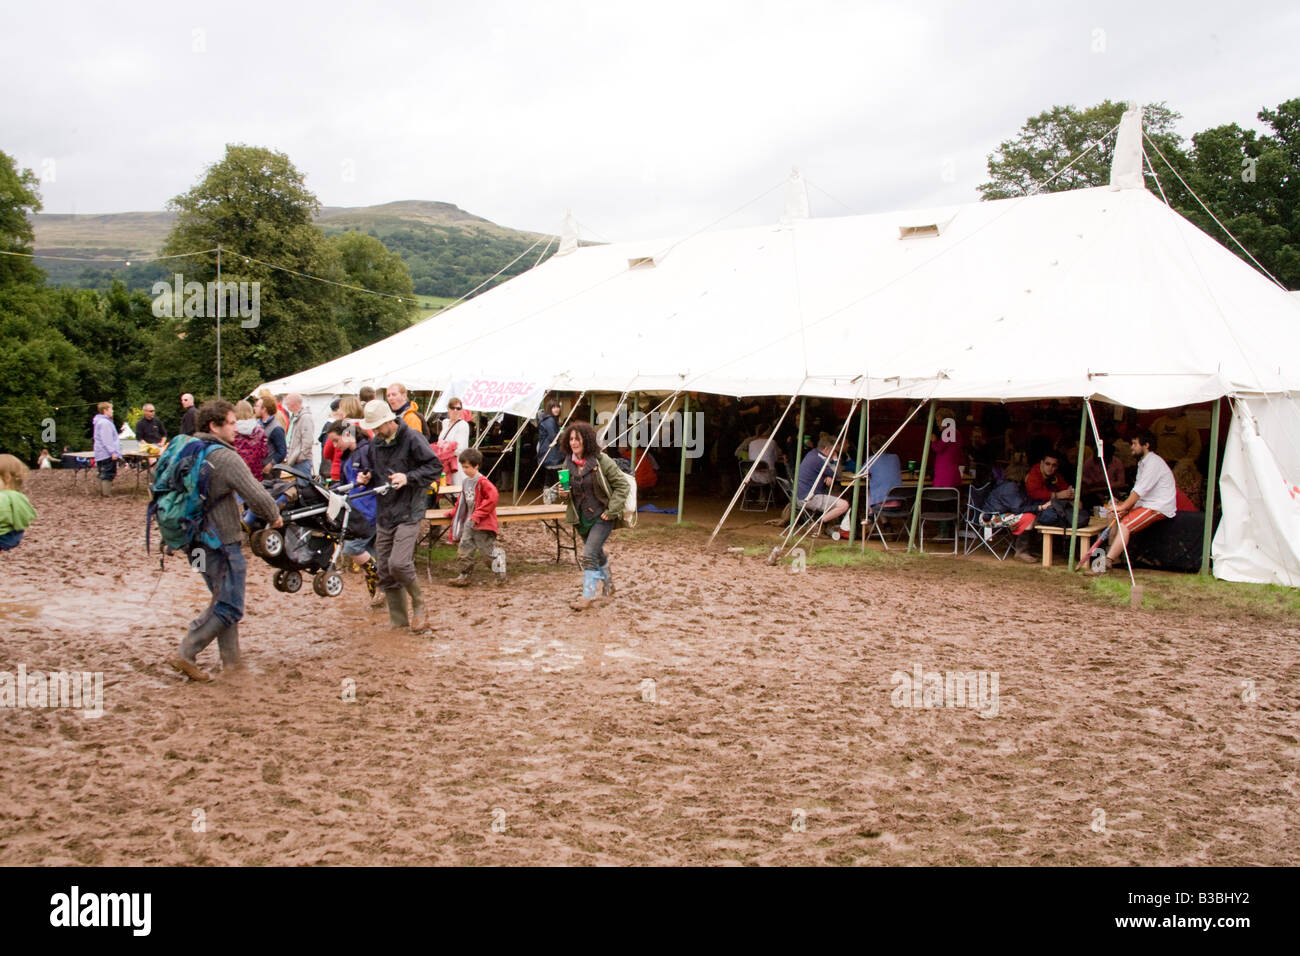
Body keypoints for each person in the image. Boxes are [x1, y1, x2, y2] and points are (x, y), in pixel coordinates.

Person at [167, 400, 283, 683]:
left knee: (222, 597)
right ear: (214, 426)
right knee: (230, 603)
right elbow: (257, 495)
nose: (236, 428)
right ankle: (187, 650)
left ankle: (232, 663)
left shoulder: (188, 448)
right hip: (220, 540)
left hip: (190, 541)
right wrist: (274, 517)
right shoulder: (225, 457)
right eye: (230, 423)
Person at [354, 398, 442, 632]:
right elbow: (376, 470)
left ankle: (420, 605)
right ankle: (398, 622)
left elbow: (435, 467)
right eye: (372, 428)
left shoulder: (412, 438)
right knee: (384, 569)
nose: (375, 431)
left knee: (399, 564)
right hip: (385, 511)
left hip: (409, 509)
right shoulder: (376, 444)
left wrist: (408, 477)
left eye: (378, 427)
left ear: (389, 421)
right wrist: (367, 477)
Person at [558, 421, 632, 611]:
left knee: (589, 554)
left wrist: (612, 511)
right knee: (596, 552)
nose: (574, 442)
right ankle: (609, 585)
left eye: (578, 439)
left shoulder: (602, 460)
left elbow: (623, 486)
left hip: (602, 516)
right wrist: (563, 493)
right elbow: (570, 493)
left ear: (587, 440)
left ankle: (587, 596)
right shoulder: (568, 462)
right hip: (580, 517)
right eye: (571, 439)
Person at [1085, 429, 1178, 574]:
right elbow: (1138, 493)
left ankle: (1106, 562)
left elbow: (1138, 491)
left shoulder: (1153, 462)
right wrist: (1120, 506)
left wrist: (1124, 506)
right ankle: (1115, 555)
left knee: (1125, 525)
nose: (1131, 447)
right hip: (1146, 503)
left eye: (1134, 444)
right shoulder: (1144, 462)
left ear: (1146, 445)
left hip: (1157, 506)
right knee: (1113, 513)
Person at [331, 422, 383, 606]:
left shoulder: (367, 450)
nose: (335, 446)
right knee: (369, 552)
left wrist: (368, 477)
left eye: (336, 441)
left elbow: (379, 474)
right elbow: (345, 483)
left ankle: (382, 582)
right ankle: (378, 594)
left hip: (368, 509)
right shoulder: (347, 456)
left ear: (347, 435)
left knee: (353, 548)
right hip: (355, 509)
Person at [446, 448, 504, 587]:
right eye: (463, 467)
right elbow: (462, 500)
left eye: (467, 467)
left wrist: (477, 515)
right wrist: (454, 512)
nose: (464, 470)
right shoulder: (466, 482)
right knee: (464, 549)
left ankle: (500, 571)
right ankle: (464, 575)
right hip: (469, 523)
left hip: (483, 524)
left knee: (486, 552)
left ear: (476, 466)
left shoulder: (483, 482)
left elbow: (492, 498)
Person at [796, 434, 849, 534]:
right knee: (844, 505)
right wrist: (835, 459)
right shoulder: (821, 460)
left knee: (837, 495)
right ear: (827, 449)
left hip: (802, 495)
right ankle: (817, 524)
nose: (835, 452)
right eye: (834, 450)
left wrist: (828, 475)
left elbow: (830, 472)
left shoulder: (813, 453)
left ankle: (828, 526)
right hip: (810, 498)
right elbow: (838, 474)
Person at [1024, 450, 1075, 527]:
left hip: (1051, 508)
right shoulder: (1034, 474)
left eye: (1054, 465)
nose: (1050, 467)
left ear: (1057, 467)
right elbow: (1034, 494)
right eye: (1047, 464)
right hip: (1033, 507)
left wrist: (1071, 495)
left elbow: (1065, 488)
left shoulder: (1056, 475)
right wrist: (1057, 495)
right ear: (1042, 463)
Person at [0, 454, 37, 551]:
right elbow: (28, 516)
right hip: (13, 536)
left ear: (6, 478)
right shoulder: (19, 496)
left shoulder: (3, 496)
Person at [865, 434, 903, 513]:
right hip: (898, 504)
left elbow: (861, 473)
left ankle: (870, 516)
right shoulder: (895, 458)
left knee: (869, 491)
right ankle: (886, 524)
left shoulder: (871, 460)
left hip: (879, 504)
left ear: (872, 448)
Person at [438, 397, 471, 486]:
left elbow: (460, 449)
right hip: (444, 464)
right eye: (452, 408)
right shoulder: (445, 423)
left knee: (456, 490)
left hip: (456, 464)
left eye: (458, 408)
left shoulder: (463, 425)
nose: (455, 410)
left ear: (461, 410)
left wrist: (444, 447)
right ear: (448, 409)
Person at [231, 400, 268, 479]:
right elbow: (264, 452)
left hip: (237, 471)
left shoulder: (232, 430)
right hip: (255, 472)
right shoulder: (259, 430)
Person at [92, 401, 122, 497]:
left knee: (102, 472)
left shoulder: (100, 422)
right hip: (106, 453)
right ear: (105, 410)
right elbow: (107, 440)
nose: (112, 411)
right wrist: (113, 452)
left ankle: (102, 492)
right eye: (111, 409)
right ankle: (106, 494)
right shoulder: (105, 423)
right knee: (108, 473)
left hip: (101, 452)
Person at [929, 407, 964, 488]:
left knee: (940, 496)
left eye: (938, 421)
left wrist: (934, 440)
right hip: (950, 473)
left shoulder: (949, 432)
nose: (937, 424)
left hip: (945, 474)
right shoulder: (955, 432)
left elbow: (938, 448)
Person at [282, 393, 315, 474]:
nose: (286, 403)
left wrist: (300, 457)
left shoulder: (305, 417)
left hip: (301, 463)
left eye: (287, 401)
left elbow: (308, 440)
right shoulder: (294, 417)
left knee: (302, 485)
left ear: (294, 402)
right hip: (293, 461)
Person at [536, 398, 566, 487]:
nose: (556, 409)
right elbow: (554, 437)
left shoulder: (546, 419)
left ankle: (548, 497)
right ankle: (564, 494)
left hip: (548, 451)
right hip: (552, 453)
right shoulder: (550, 420)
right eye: (553, 407)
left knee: (549, 477)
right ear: (549, 409)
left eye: (558, 407)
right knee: (562, 474)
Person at [254, 395, 287, 477]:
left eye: (257, 406)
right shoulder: (257, 424)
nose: (254, 408)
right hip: (258, 471)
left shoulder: (276, 428)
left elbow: (282, 452)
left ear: (264, 409)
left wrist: (270, 465)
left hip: (270, 473)